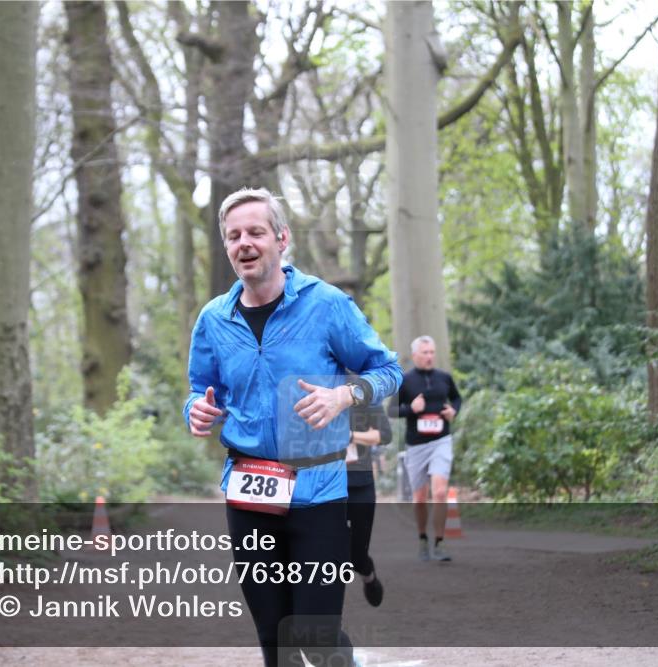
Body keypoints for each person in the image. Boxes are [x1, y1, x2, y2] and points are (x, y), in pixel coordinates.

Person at [184, 188, 402, 667]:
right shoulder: (214, 320)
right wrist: (196, 410)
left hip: (318, 490)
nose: (245, 242)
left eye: (256, 232)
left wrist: (344, 394)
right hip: (249, 492)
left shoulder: (325, 305)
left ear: (281, 239)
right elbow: (200, 389)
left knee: (316, 637)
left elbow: (388, 370)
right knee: (274, 639)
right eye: (234, 235)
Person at [393, 335, 462, 562]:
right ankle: (423, 538)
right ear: (415, 356)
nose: (430, 356)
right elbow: (391, 410)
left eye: (432, 352)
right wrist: (411, 408)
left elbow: (457, 399)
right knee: (420, 497)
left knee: (440, 492)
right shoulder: (406, 380)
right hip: (416, 445)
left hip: (441, 441)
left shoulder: (444, 378)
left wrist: (453, 411)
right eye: (425, 352)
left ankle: (439, 543)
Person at [345, 373, 393, 607]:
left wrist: (351, 437)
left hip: (359, 482)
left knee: (356, 554)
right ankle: (328, 615)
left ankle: (368, 575)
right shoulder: (310, 384)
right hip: (322, 484)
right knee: (327, 552)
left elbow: (384, 434)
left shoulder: (363, 387)